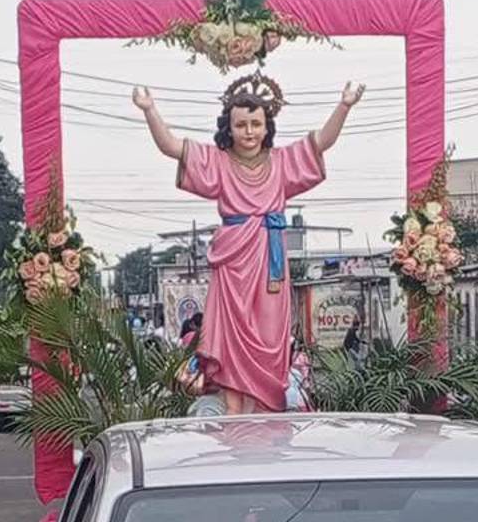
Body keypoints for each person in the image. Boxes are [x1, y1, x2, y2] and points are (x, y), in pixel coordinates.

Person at [134, 73, 365, 415]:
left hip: (270, 261)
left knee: (269, 338)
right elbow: (171, 146)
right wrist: (149, 110)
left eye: (256, 123)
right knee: (230, 337)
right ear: (230, 127)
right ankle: (233, 414)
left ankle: (264, 411)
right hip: (233, 262)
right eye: (241, 124)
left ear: (266, 125)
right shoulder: (219, 161)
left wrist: (344, 106)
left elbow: (321, 142)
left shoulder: (282, 162)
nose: (249, 132)